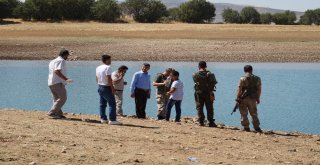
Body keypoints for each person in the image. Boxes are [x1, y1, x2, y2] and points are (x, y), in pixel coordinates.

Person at [96, 54, 122, 125]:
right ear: (106, 60)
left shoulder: (98, 67)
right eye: (110, 60)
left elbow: (97, 78)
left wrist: (99, 85)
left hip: (100, 86)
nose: (111, 61)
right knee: (112, 104)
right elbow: (109, 78)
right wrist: (112, 88)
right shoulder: (108, 67)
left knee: (102, 104)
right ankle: (112, 120)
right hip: (106, 87)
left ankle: (103, 118)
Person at [47, 48, 73, 119]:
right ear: (64, 55)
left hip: (51, 82)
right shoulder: (61, 61)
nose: (67, 57)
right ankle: (52, 112)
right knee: (63, 98)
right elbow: (57, 71)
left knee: (56, 99)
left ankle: (58, 114)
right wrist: (66, 79)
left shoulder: (53, 61)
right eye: (67, 56)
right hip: (57, 82)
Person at [236, 65, 262, 132]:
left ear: (244, 71)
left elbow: (239, 89)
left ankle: (246, 127)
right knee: (254, 113)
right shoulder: (257, 78)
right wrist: (258, 98)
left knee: (243, 113)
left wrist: (237, 98)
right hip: (253, 98)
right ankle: (257, 127)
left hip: (243, 98)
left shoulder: (242, 78)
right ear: (252, 70)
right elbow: (259, 90)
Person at [193, 61, 218, 127]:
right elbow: (214, 83)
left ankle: (201, 121)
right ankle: (211, 122)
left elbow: (195, 82)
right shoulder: (210, 74)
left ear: (199, 66)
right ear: (206, 66)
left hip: (198, 93)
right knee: (209, 108)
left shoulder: (195, 74)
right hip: (208, 93)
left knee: (199, 107)